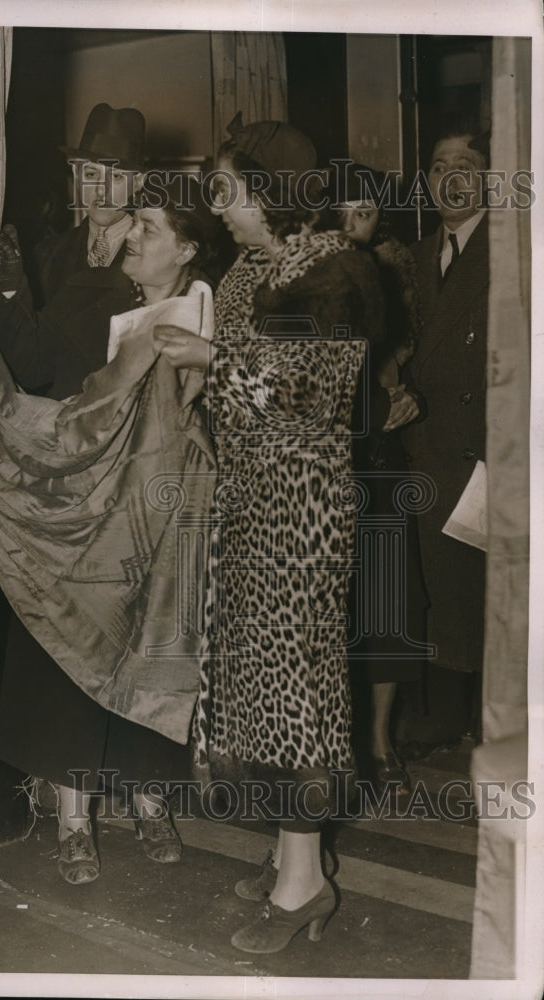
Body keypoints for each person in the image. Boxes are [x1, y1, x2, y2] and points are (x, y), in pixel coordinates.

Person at [155, 116, 386, 954]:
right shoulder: (253, 270)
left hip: (302, 508)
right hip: (250, 504)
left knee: (299, 695)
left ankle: (307, 883)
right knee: (255, 689)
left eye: (227, 189)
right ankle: (294, 849)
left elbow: (312, 404)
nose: (216, 206)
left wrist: (212, 361)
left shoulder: (339, 274)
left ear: (270, 194)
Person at [0, 175, 222, 886]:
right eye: (134, 224)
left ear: (186, 248)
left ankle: (151, 798)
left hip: (173, 517)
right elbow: (78, 403)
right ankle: (72, 818)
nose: (131, 236)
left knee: (158, 652)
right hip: (97, 518)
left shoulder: (205, 320)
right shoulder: (108, 305)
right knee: (77, 637)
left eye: (148, 227)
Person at [330, 165, 427, 800]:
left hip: (380, 453)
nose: (351, 225)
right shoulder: (307, 273)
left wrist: (407, 391)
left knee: (388, 598)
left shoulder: (395, 272)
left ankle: (381, 738)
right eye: (341, 212)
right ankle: (337, 740)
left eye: (363, 213)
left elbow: (415, 350)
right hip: (326, 453)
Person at [399, 127, 489, 756]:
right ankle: (447, 710)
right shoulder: (416, 254)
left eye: (465, 164)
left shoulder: (518, 252)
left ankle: (479, 712)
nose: (449, 177)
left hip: (482, 449)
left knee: (477, 588)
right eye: (437, 166)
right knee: (437, 585)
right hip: (424, 446)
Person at [32, 102, 145, 307]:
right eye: (91, 174)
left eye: (117, 176)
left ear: (137, 183)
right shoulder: (46, 254)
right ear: (77, 175)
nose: (101, 190)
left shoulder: (154, 256)